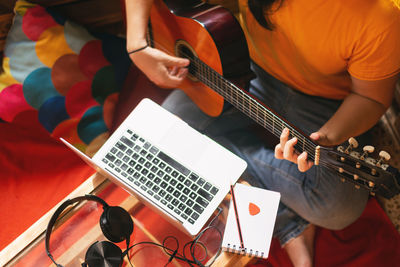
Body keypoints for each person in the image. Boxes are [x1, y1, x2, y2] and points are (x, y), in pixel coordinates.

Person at [124, 0, 400, 266]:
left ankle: (239, 170)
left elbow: (371, 99)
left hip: (326, 104)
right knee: (157, 131)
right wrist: (136, 43)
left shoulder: (383, 15)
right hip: (242, 68)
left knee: (339, 208)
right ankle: (288, 219)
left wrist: (326, 138)